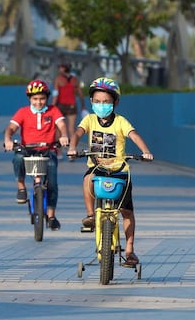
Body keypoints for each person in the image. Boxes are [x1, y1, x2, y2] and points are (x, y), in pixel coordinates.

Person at [67, 76, 154, 267]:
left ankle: (130, 248)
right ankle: (91, 215)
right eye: (97, 101)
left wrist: (145, 152)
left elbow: (134, 135)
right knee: (88, 178)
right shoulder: (89, 120)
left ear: (115, 102)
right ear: (91, 102)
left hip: (119, 171)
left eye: (106, 102)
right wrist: (72, 147)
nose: (101, 105)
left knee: (126, 212)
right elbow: (77, 133)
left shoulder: (121, 122)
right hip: (97, 170)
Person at [3, 80, 69, 230]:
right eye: (35, 99)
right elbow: (11, 128)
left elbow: (62, 125)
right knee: (18, 157)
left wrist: (64, 136)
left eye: (42, 99)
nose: (38, 102)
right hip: (28, 150)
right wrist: (8, 139)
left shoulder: (53, 110)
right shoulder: (23, 112)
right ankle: (21, 187)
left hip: (48, 150)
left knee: (52, 183)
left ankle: (51, 216)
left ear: (46, 98)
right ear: (29, 99)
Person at [51, 62, 84, 129]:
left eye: (61, 67)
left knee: (58, 128)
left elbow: (55, 94)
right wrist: (83, 106)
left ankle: (59, 140)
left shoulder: (58, 79)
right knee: (71, 129)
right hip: (72, 105)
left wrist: (52, 106)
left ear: (64, 68)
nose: (59, 69)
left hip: (60, 105)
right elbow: (80, 94)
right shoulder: (75, 79)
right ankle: (71, 140)